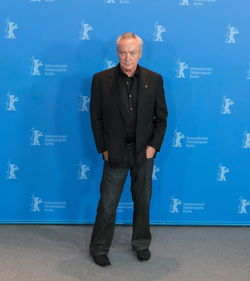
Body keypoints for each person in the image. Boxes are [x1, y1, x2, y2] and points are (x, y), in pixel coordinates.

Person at [89, 32, 168, 266]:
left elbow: (162, 118)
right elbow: (96, 118)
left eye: (132, 52)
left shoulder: (154, 80)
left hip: (143, 153)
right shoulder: (100, 80)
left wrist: (153, 146)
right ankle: (99, 247)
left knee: (143, 201)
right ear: (117, 53)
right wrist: (103, 147)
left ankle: (141, 244)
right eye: (123, 52)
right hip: (114, 152)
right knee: (107, 203)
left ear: (140, 53)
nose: (127, 57)